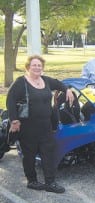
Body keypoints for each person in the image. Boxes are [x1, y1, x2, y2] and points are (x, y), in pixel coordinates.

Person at [6, 55, 74, 194]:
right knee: (29, 154)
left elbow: (58, 83)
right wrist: (14, 120)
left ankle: (50, 182)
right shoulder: (21, 82)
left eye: (39, 65)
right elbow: (10, 100)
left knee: (48, 153)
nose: (37, 67)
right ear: (28, 67)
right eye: (34, 65)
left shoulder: (45, 80)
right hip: (27, 127)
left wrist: (67, 89)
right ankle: (32, 181)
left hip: (45, 125)